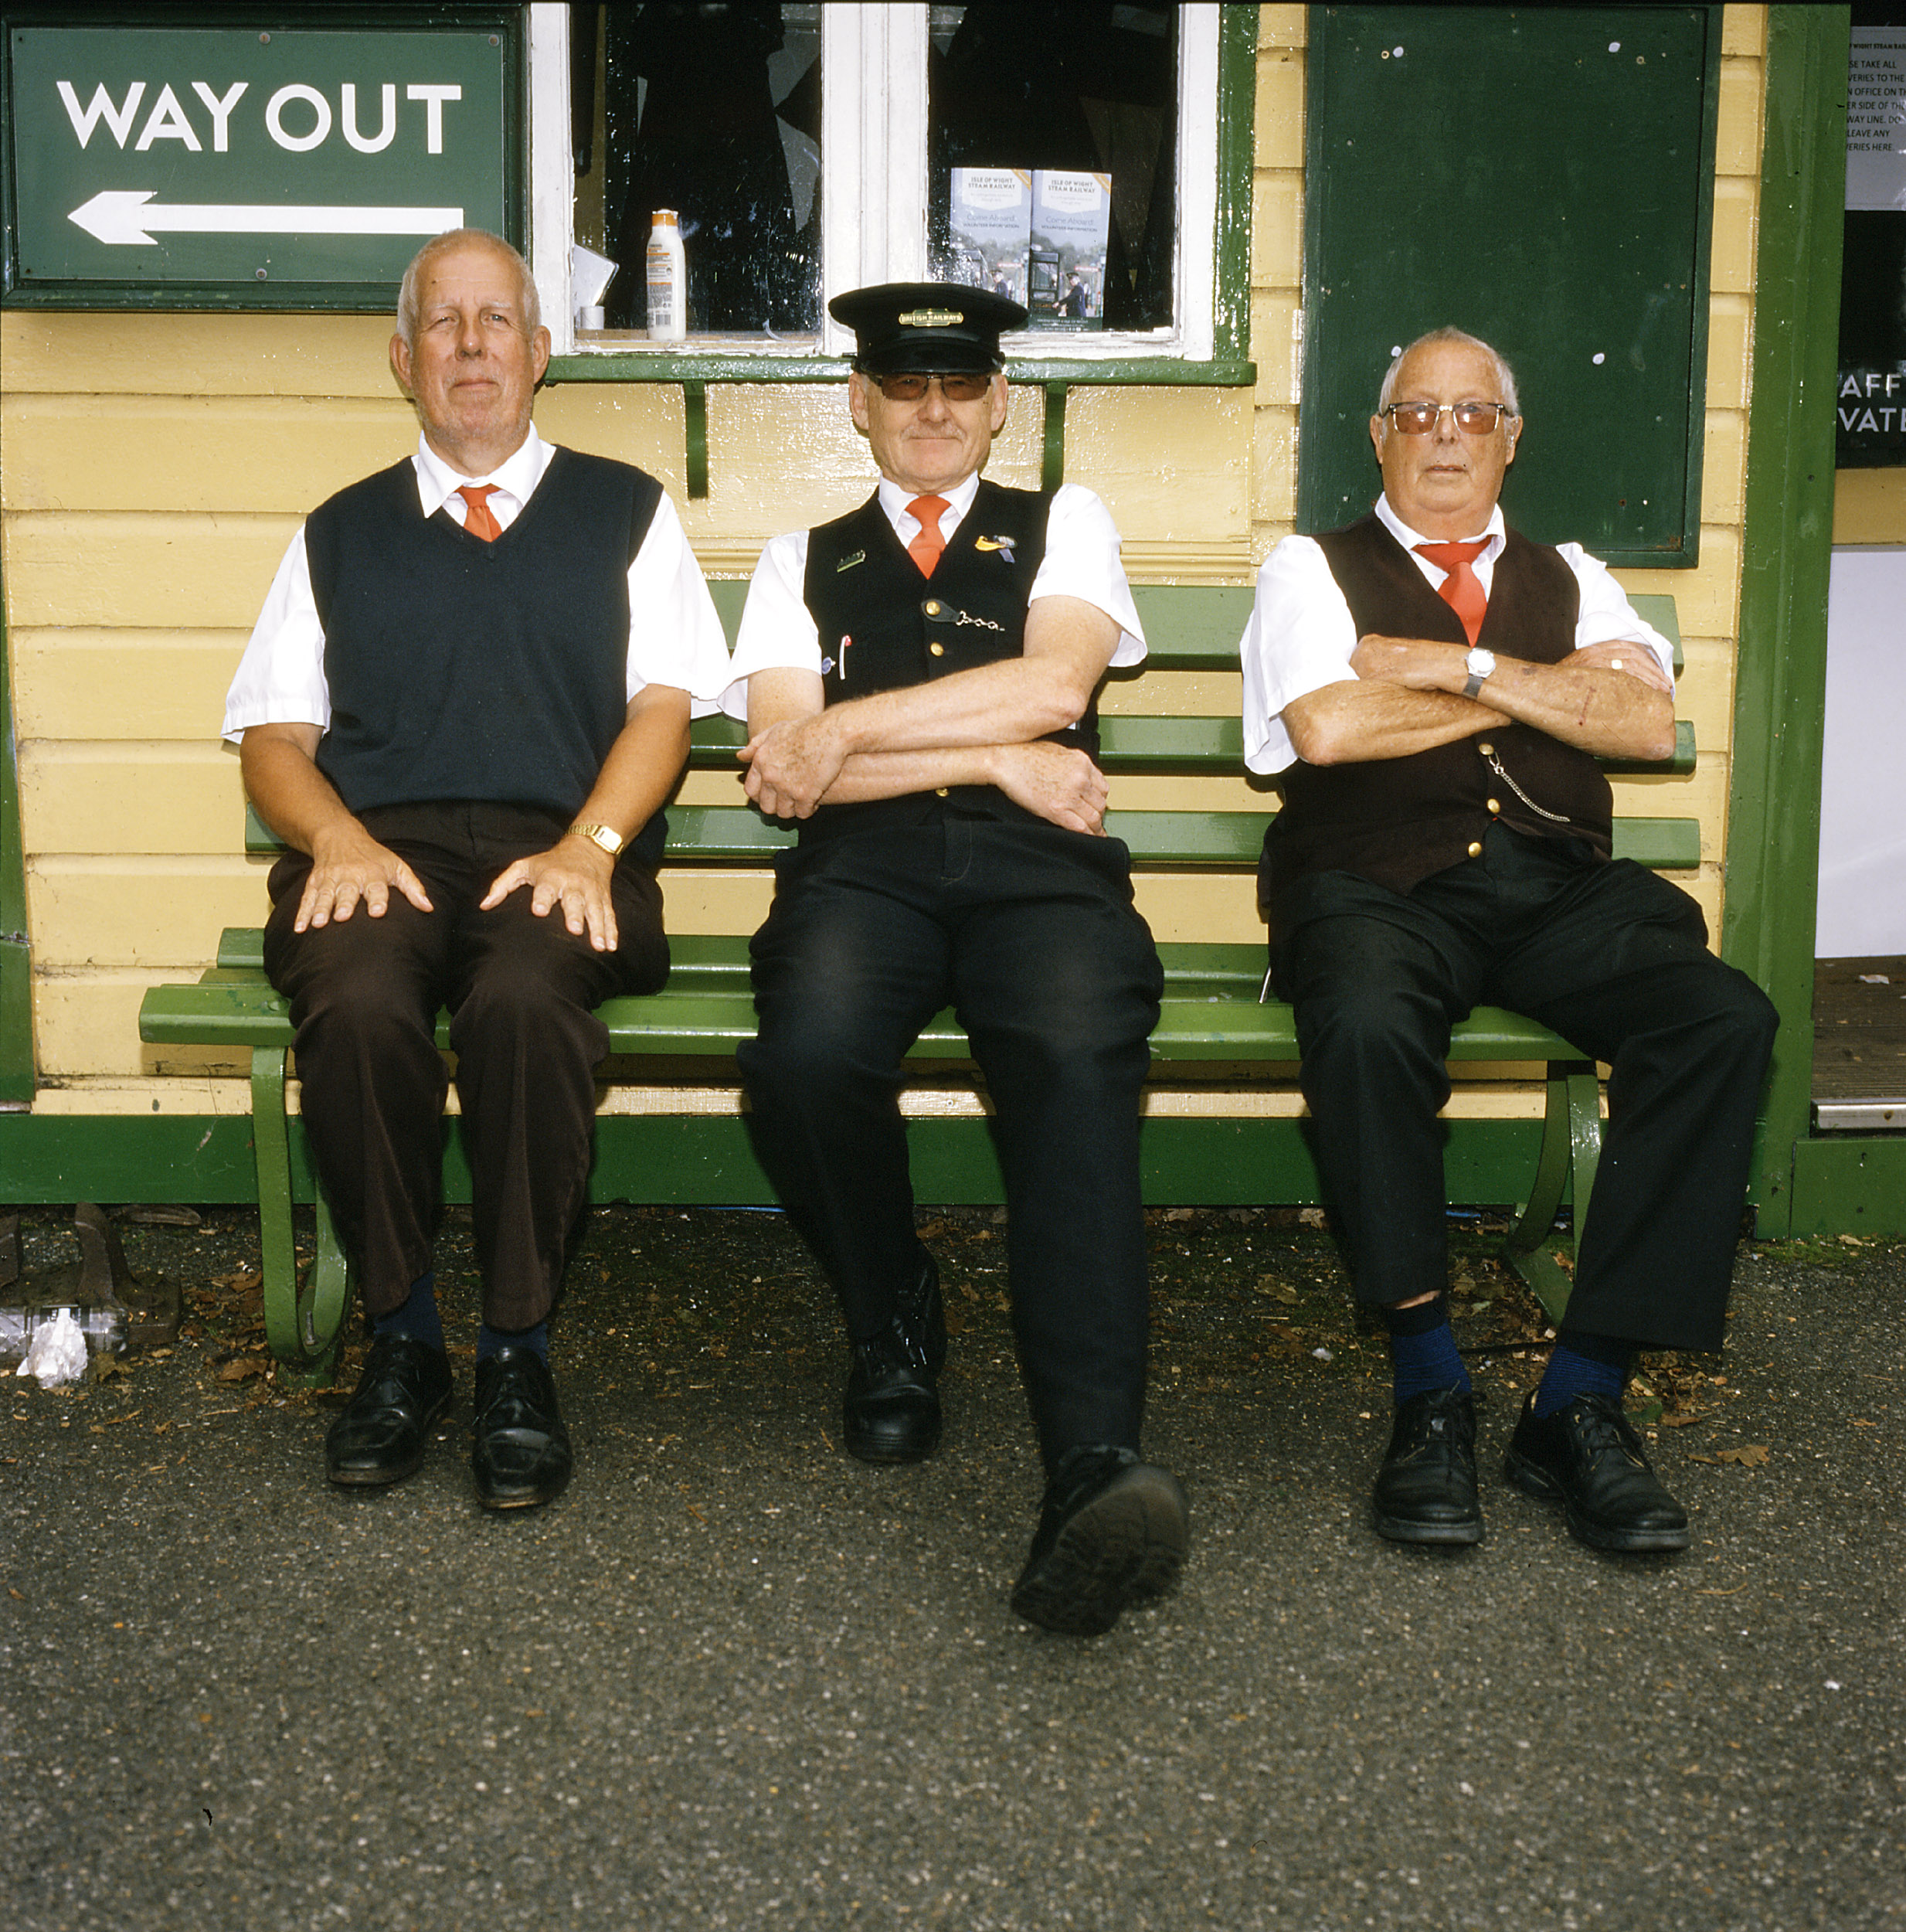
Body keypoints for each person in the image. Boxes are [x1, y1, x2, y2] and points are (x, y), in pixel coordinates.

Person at [1239, 327, 1778, 1553]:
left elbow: (1641, 721)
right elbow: (1325, 728)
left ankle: (1581, 1397)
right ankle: (1430, 1383)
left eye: (1473, 413)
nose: (1445, 433)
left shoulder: (1575, 570)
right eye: (1418, 412)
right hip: (1375, 888)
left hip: (1551, 890)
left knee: (1721, 1018)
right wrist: (1541, 684)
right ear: (1377, 435)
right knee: (1368, 1019)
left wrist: (1456, 663)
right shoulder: (1308, 571)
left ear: (1511, 437)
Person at [223, 230, 730, 1509]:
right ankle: (402, 1338)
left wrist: (593, 846)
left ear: (539, 351)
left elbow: (665, 708)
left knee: (520, 1005)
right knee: (355, 1001)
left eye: (495, 321)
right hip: (381, 852)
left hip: (555, 852)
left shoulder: (626, 511)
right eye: (442, 325)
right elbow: (275, 739)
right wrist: (334, 837)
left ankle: (516, 1352)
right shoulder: (338, 532)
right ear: (403, 360)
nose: (469, 348)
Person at [725, 281, 1186, 1635]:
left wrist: (860, 733)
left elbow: (1057, 687)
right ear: (860, 403)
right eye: (902, 387)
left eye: (960, 388)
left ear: (998, 405)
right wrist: (990, 753)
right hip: (863, 873)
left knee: (1071, 1059)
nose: (932, 410)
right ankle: (893, 1312)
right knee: (804, 1059)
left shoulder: (1067, 524)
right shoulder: (793, 558)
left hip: (1039, 873)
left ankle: (1094, 1459)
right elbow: (786, 768)